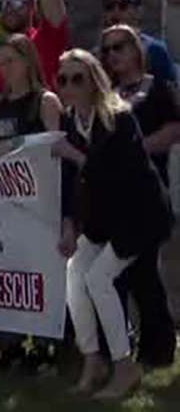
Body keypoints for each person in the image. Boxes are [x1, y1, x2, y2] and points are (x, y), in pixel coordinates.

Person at [53, 49, 174, 400]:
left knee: (99, 279)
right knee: (75, 275)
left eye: (77, 78)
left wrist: (74, 154)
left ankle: (124, 365)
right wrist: (68, 224)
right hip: (104, 217)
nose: (69, 86)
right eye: (63, 79)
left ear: (94, 81)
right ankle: (93, 360)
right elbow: (70, 179)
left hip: (140, 215)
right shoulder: (70, 120)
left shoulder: (119, 118)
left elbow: (116, 175)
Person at [0, 34, 66, 372]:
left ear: (28, 61)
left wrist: (15, 149)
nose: (6, 68)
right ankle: (8, 343)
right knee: (7, 275)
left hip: (39, 203)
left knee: (40, 275)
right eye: (1, 62)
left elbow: (57, 148)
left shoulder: (45, 102)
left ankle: (44, 345)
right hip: (3, 204)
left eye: (11, 60)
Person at [100, 24, 180, 367]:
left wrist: (136, 149)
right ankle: (128, 341)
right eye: (107, 49)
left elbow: (173, 129)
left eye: (119, 46)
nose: (113, 54)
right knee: (124, 274)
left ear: (137, 50)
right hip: (116, 197)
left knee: (145, 272)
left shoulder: (157, 88)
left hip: (148, 193)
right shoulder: (108, 95)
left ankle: (159, 345)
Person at [99, 0, 177, 83]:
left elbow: (169, 88)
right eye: (110, 7)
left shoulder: (154, 50)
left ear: (138, 11)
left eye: (123, 5)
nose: (115, 11)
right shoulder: (99, 54)